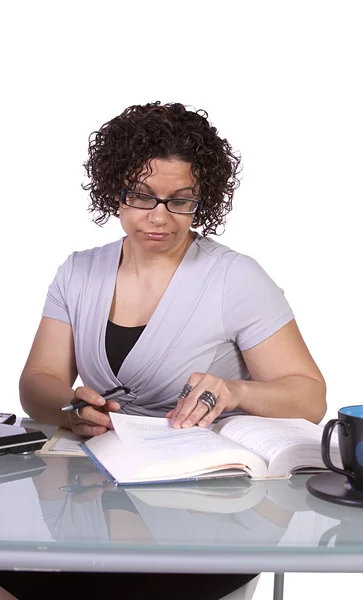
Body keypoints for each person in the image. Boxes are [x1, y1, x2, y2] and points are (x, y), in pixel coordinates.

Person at [4, 101, 326, 599]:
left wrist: (235, 391)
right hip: (91, 499)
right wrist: (71, 409)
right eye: (142, 196)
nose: (159, 218)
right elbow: (38, 381)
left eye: (181, 200)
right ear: (115, 192)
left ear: (203, 201)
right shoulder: (78, 272)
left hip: (203, 510)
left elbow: (309, 396)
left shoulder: (235, 277)